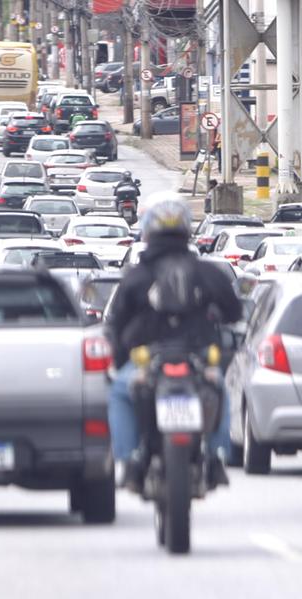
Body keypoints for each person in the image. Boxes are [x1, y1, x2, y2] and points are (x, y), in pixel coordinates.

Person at [105, 193, 243, 492]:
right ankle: (218, 457)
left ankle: (129, 461)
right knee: (218, 388)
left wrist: (119, 361)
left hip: (148, 361)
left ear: (148, 232)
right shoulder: (207, 273)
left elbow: (116, 324)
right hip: (198, 358)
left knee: (119, 391)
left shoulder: (136, 276)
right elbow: (235, 311)